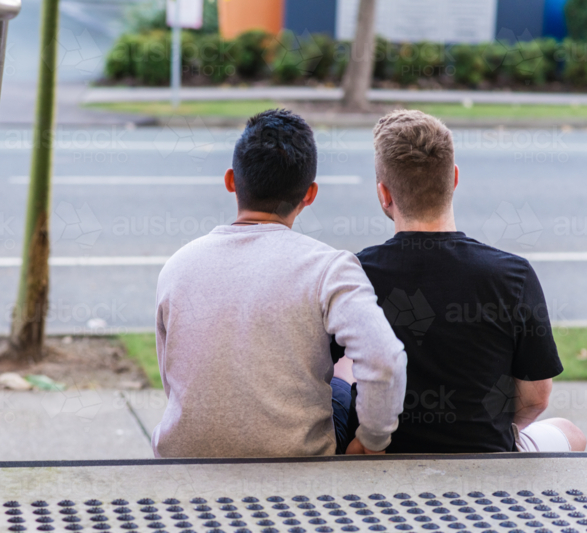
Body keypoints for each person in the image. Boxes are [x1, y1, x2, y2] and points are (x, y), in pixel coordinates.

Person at [152, 109, 407, 458]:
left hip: (183, 457)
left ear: (231, 181)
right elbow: (384, 359)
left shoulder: (178, 266)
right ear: (310, 194)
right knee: (341, 378)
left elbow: (174, 377)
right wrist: (372, 439)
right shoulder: (328, 267)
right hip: (298, 460)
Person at [333, 109, 586, 454]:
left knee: (342, 364)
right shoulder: (513, 274)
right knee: (571, 433)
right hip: (488, 455)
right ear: (453, 178)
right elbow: (536, 398)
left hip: (381, 454)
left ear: (384, 194)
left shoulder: (354, 273)